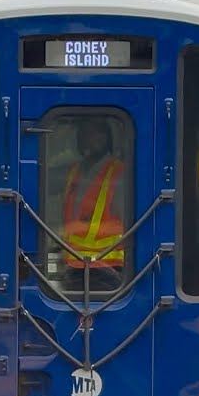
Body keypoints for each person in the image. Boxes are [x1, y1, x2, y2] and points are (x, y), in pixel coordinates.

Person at [61, 121, 126, 292]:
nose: (85, 139)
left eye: (92, 134)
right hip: (73, 267)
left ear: (105, 138)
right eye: (82, 134)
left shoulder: (119, 174)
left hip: (108, 269)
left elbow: (129, 224)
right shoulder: (75, 170)